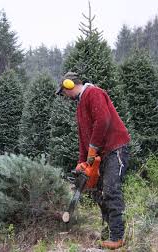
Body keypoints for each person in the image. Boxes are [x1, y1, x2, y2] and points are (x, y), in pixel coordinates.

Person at [56, 72, 130, 250]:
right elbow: (84, 138)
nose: (65, 97)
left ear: (69, 85)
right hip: (101, 154)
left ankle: (118, 237)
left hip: (115, 148)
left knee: (111, 191)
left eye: (64, 92)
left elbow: (103, 121)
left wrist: (93, 147)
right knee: (100, 194)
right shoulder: (81, 105)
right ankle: (108, 233)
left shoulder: (93, 93)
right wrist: (82, 162)